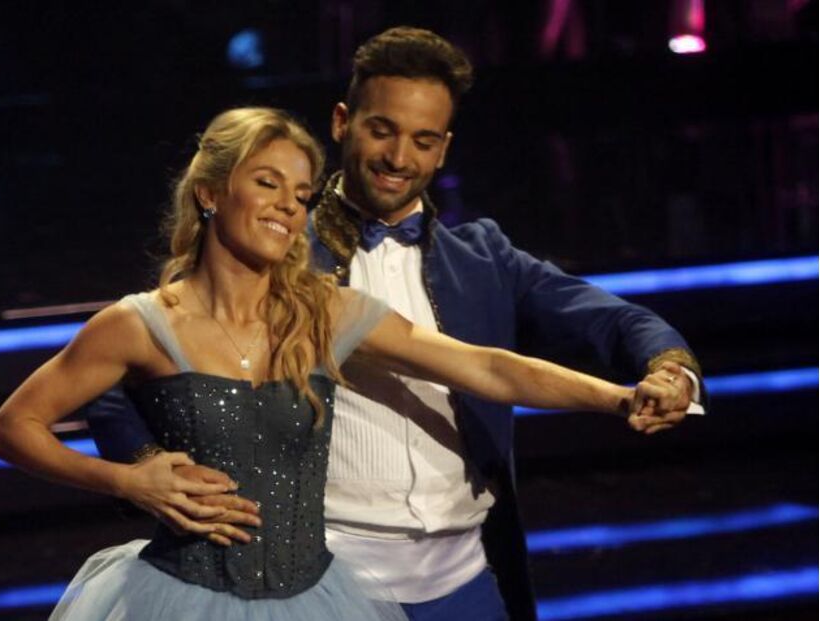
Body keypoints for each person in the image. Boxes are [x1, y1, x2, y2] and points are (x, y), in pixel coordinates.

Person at [85, 28, 706, 621]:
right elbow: (128, 367)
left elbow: (601, 324)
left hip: (466, 580)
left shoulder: (483, 257)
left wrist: (667, 370)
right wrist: (149, 468)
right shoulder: (275, 250)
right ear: (342, 122)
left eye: (423, 140)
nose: (398, 158)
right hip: (322, 581)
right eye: (381, 131)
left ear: (444, 149)